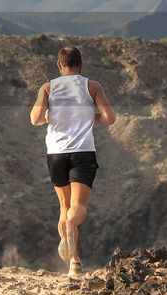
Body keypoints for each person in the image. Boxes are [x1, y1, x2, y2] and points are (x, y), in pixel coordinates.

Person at [29, 45, 116, 275]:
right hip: (82, 153)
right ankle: (71, 237)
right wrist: (90, 116)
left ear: (59, 65)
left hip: (55, 154)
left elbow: (36, 119)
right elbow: (109, 119)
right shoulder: (92, 87)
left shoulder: (48, 87)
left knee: (64, 208)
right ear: (81, 64)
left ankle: (74, 263)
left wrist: (50, 116)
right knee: (77, 209)